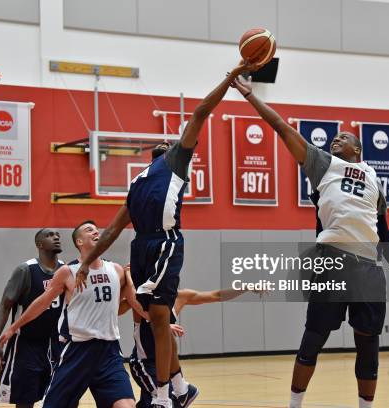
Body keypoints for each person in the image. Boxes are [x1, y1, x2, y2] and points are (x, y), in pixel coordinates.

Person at [72, 61, 256, 408]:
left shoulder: (177, 162)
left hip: (165, 241)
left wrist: (230, 78)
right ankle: (179, 387)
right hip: (141, 243)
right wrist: (87, 263)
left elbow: (201, 111)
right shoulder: (137, 181)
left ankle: (163, 394)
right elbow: (112, 229)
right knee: (151, 314)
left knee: (160, 316)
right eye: (167, 142)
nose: (170, 141)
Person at [231, 75, 389, 408]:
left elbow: (384, 234)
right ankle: (294, 404)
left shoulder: (374, 180)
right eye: (333, 137)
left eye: (343, 137)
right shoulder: (325, 165)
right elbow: (283, 130)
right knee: (313, 338)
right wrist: (250, 96)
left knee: (368, 343)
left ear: (357, 150)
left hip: (367, 270)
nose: (336, 139)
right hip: (333, 261)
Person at [0, 221, 147, 408]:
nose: (95, 232)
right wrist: (14, 327)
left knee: (125, 405)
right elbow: (42, 302)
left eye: (96, 230)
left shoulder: (116, 270)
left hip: (108, 352)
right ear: (79, 241)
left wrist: (161, 323)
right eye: (89, 230)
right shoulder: (67, 272)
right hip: (77, 351)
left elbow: (134, 303)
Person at [123, 286, 257, 408]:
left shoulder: (180, 297)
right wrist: (127, 275)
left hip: (166, 367)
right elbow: (126, 305)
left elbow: (216, 295)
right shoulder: (142, 298)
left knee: (154, 403)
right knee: (167, 400)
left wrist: (246, 287)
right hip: (145, 364)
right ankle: (186, 392)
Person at [0, 228, 65, 408]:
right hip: (26, 345)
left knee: (62, 397)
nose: (56, 237)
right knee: (25, 401)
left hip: (55, 344)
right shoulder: (26, 269)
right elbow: (4, 306)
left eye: (58, 235)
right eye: (49, 235)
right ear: (39, 244)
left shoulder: (65, 270)